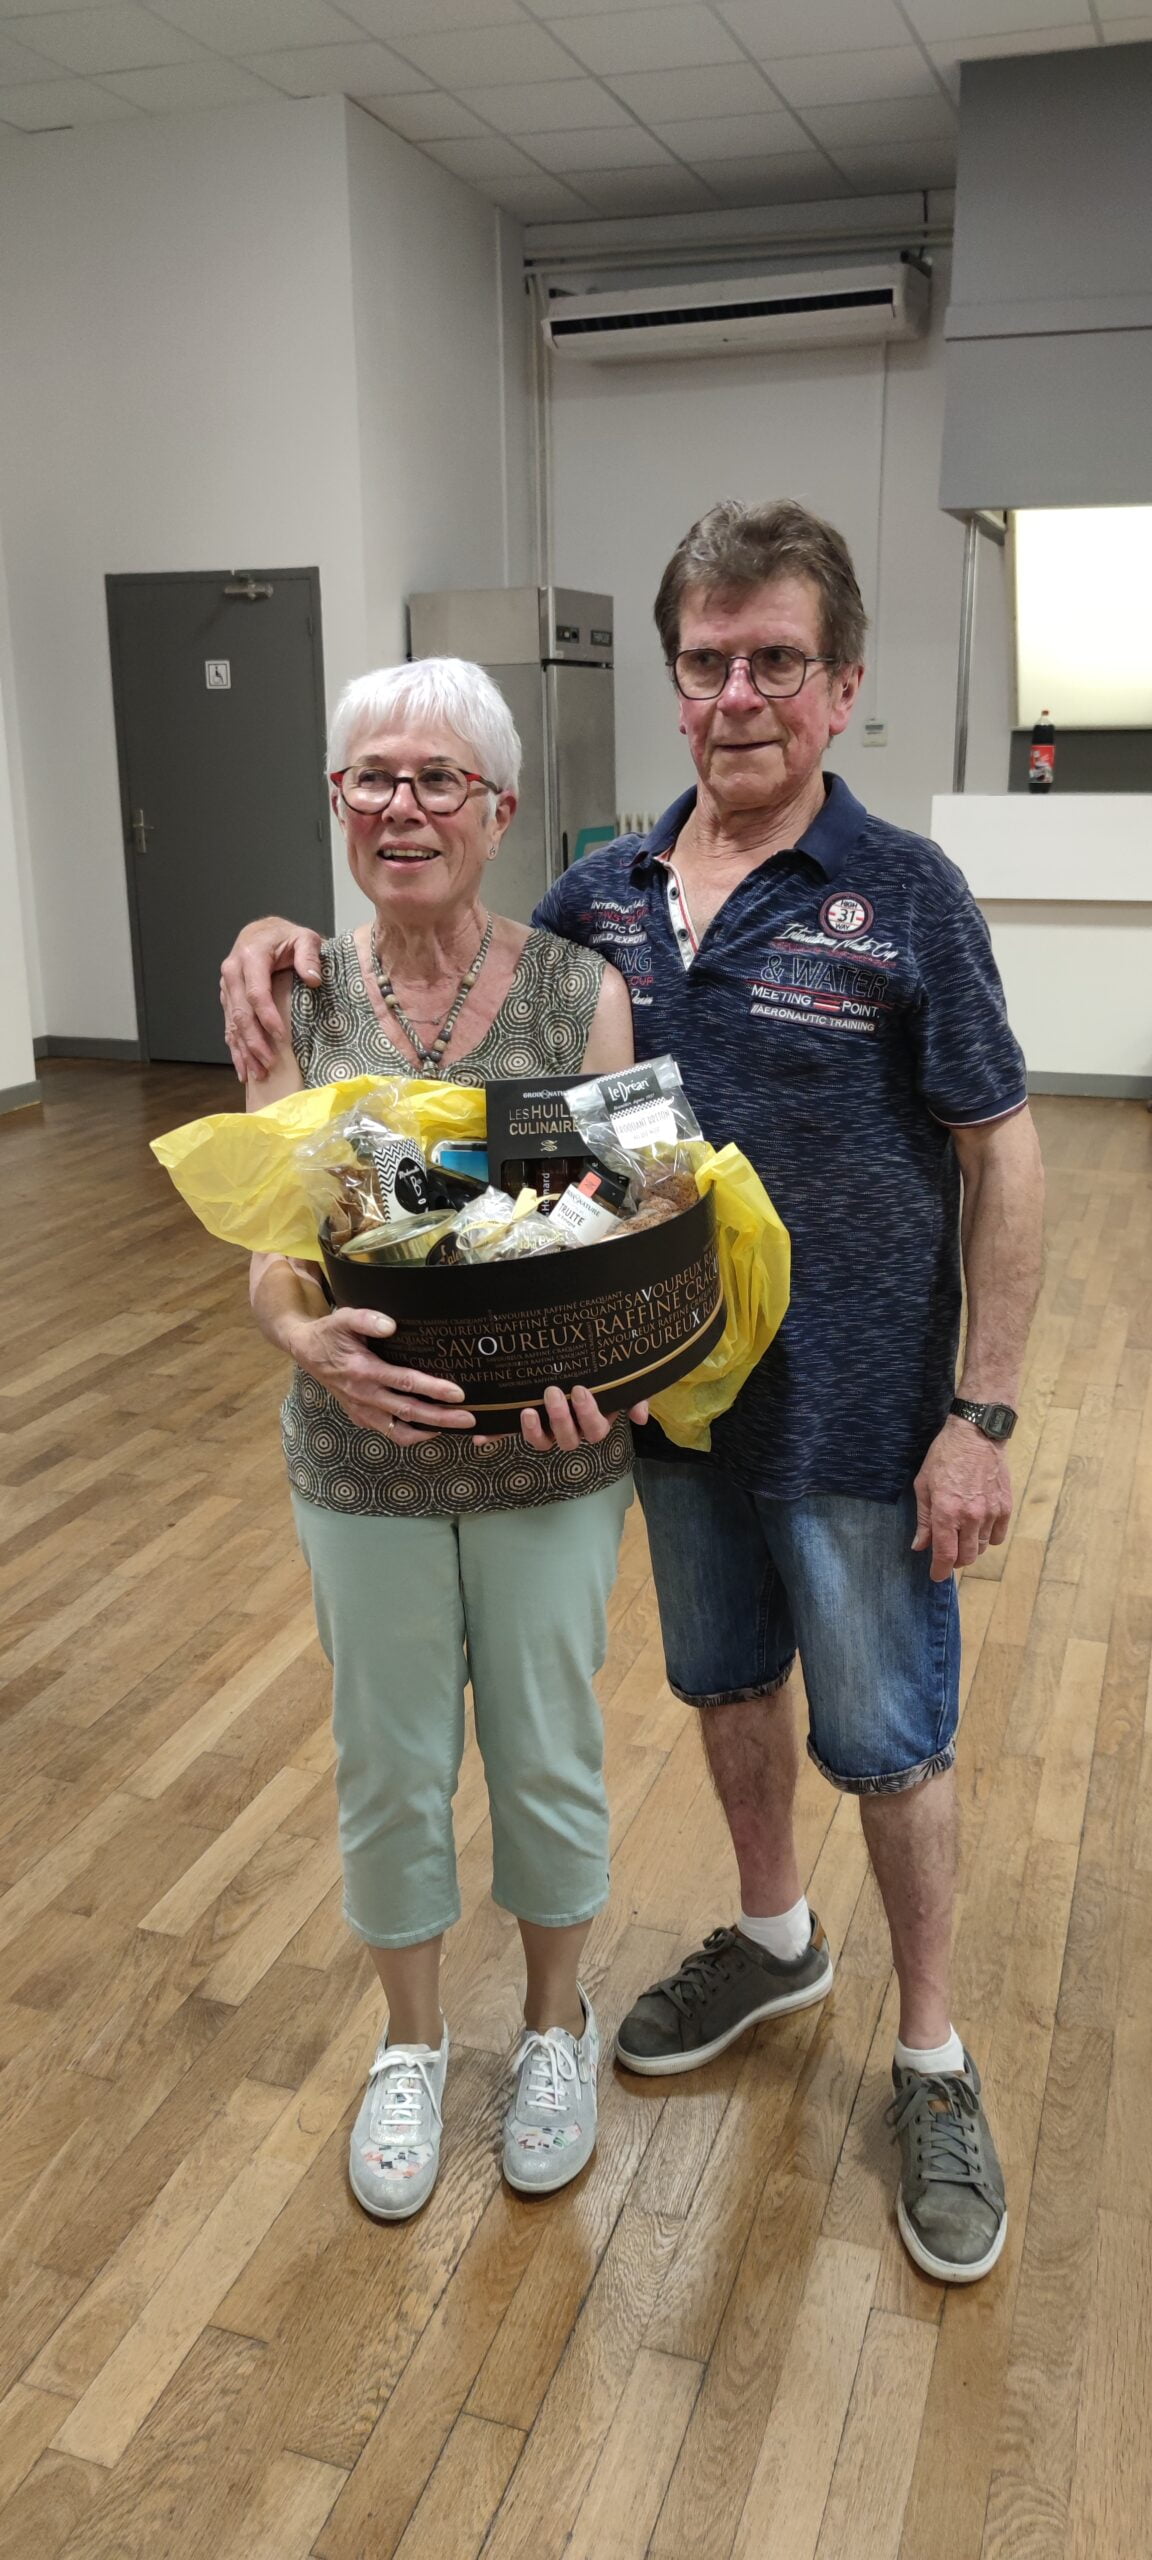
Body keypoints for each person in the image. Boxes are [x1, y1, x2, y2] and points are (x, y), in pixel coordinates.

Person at [222, 502, 1045, 2286]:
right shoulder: (601, 902)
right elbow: (445, 1013)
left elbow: (1005, 1153)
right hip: (659, 1419)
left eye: (776, 663)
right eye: (706, 662)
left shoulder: (910, 895)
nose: (736, 694)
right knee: (723, 1686)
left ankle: (934, 2057)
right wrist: (281, 930)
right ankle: (770, 1936)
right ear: (673, 680)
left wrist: (977, 1415)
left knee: (892, 1739)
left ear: (841, 686)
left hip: (851, 1413)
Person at [244, 653, 645, 2223]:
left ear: (501, 808)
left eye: (437, 782)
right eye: (370, 779)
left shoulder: (577, 992)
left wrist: (605, 1371)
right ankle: (410, 2047)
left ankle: (556, 2025)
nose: (401, 808)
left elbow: (630, 1223)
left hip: (548, 1457)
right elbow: (272, 1233)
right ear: (337, 801)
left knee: (548, 1751)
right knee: (390, 1760)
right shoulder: (293, 991)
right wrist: (293, 1335)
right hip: (360, 1461)